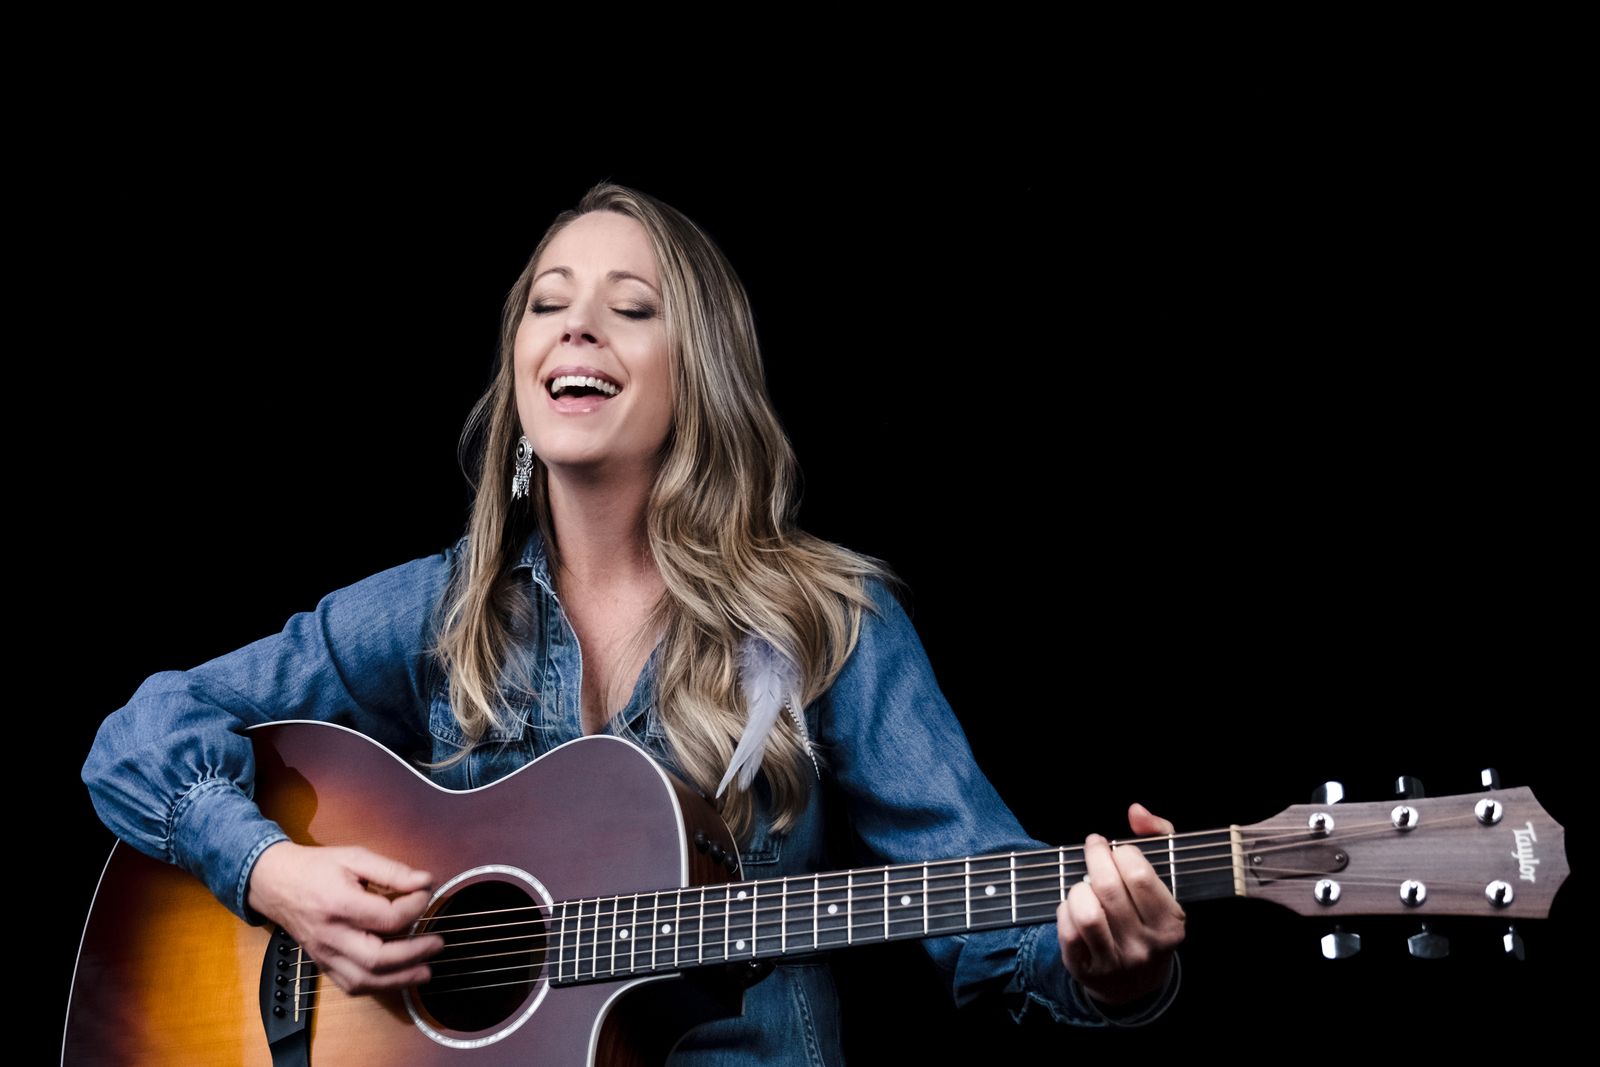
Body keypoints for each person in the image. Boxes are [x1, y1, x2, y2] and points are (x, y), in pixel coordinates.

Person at [82, 181, 1186, 1062]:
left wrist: (1106, 965)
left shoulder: (830, 624)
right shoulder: (444, 607)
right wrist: (273, 873)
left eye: (632, 307)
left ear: (696, 371)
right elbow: (138, 737)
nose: (577, 326)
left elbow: (996, 923)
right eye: (548, 302)